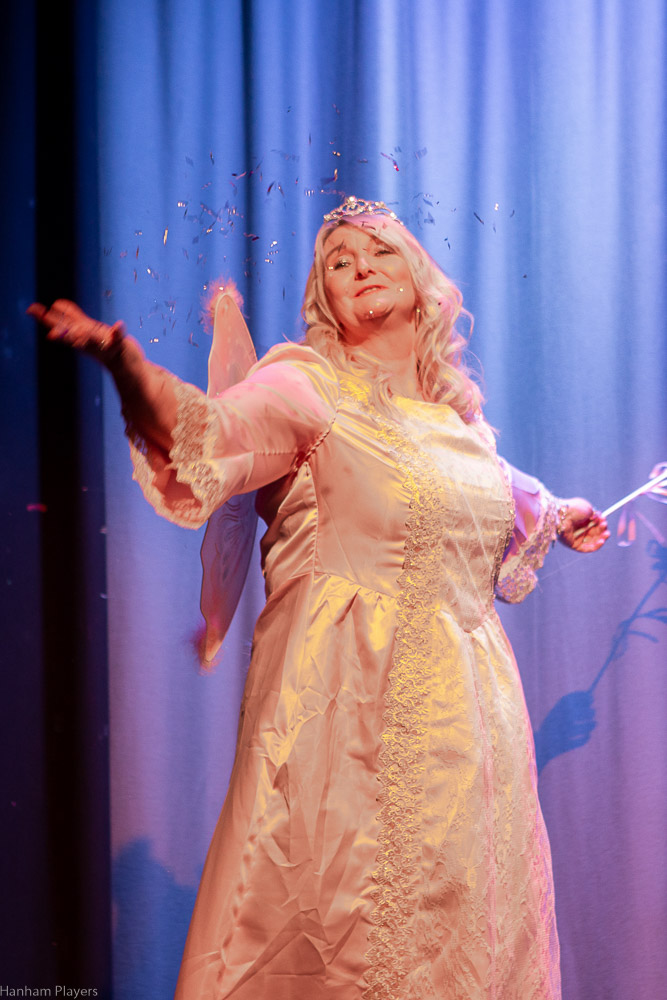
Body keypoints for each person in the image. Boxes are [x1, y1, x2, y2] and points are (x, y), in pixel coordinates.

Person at [30, 196, 608, 1000]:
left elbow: (500, 491)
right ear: (324, 299)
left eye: (379, 251)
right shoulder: (307, 387)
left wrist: (562, 512)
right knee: (347, 939)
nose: (361, 265)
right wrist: (126, 363)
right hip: (351, 719)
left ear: (420, 279)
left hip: (470, 740)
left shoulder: (460, 428)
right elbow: (210, 432)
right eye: (340, 261)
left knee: (459, 943)